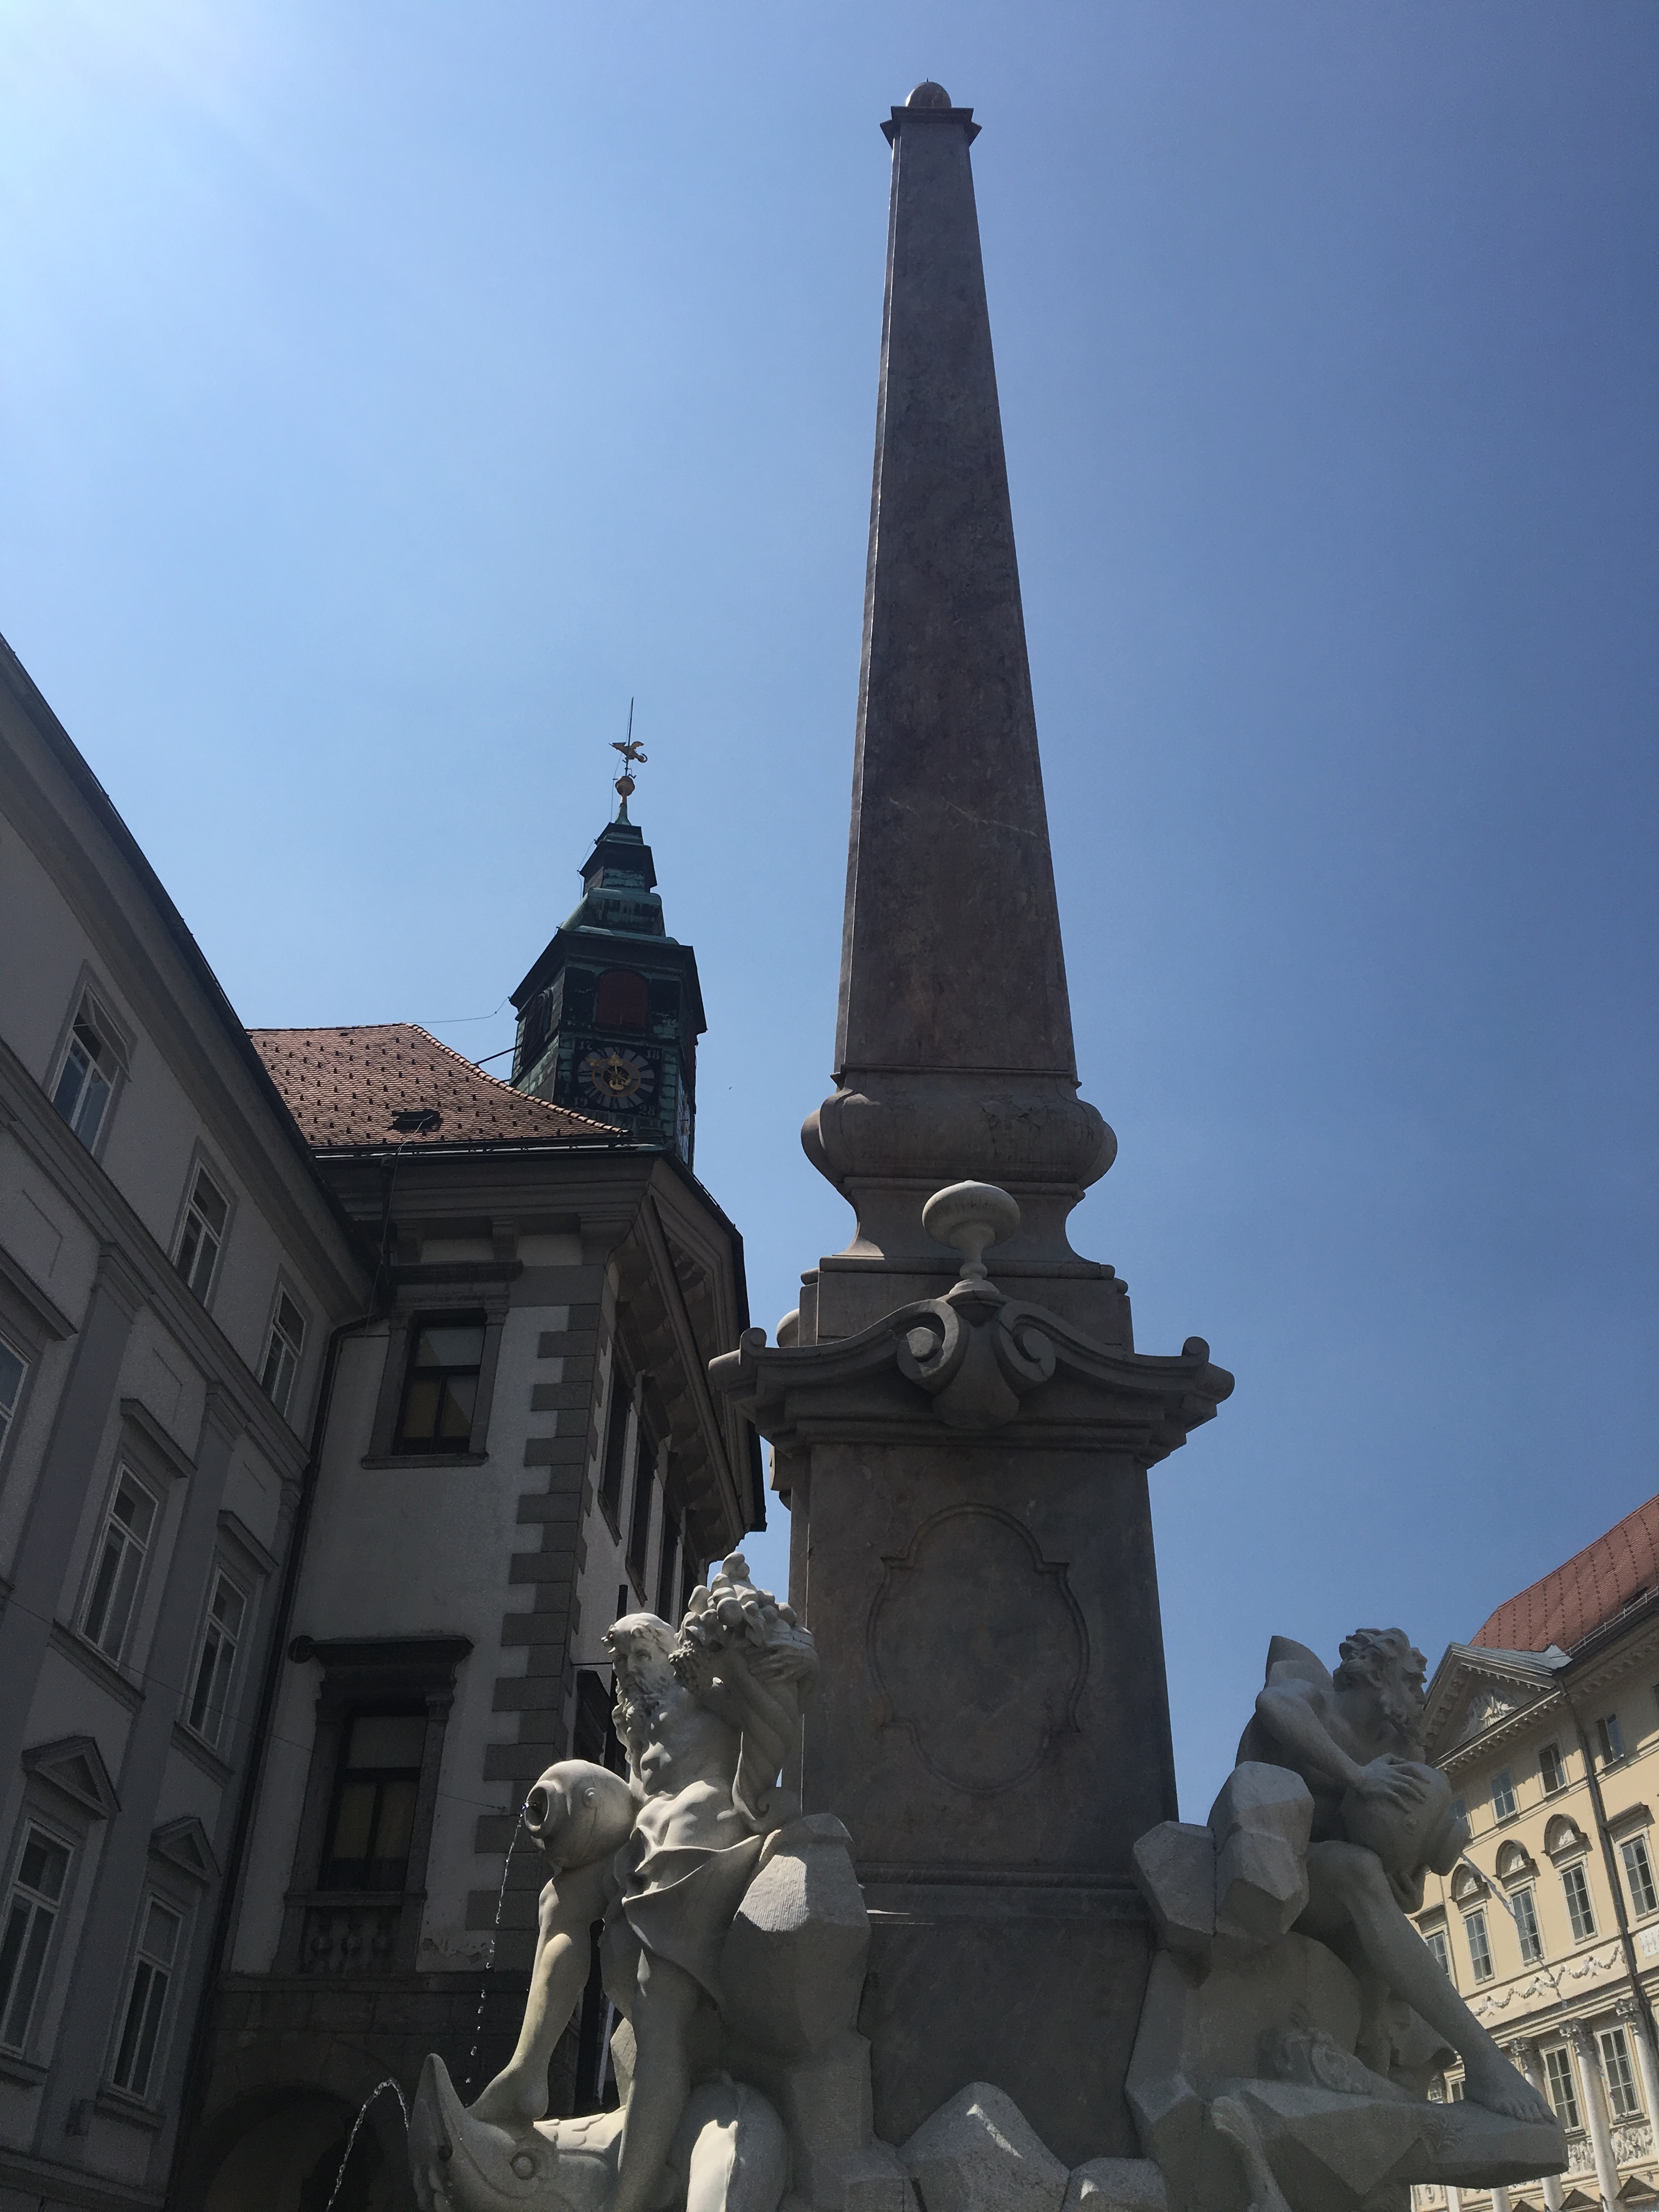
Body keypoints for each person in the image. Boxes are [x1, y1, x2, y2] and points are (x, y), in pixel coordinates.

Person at [1242, 1628, 1551, 2124]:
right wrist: (1357, 1775)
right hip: (1274, 1874)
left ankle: (1374, 2065)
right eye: (1410, 1681)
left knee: (1370, 1898)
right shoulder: (1314, 1701)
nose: (1420, 1695)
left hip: (1340, 1899)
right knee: (1358, 1870)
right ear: (1374, 1671)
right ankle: (1484, 2061)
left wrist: (1410, 1884)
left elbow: (1407, 1871)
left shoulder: (1403, 1754)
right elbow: (1273, 1705)